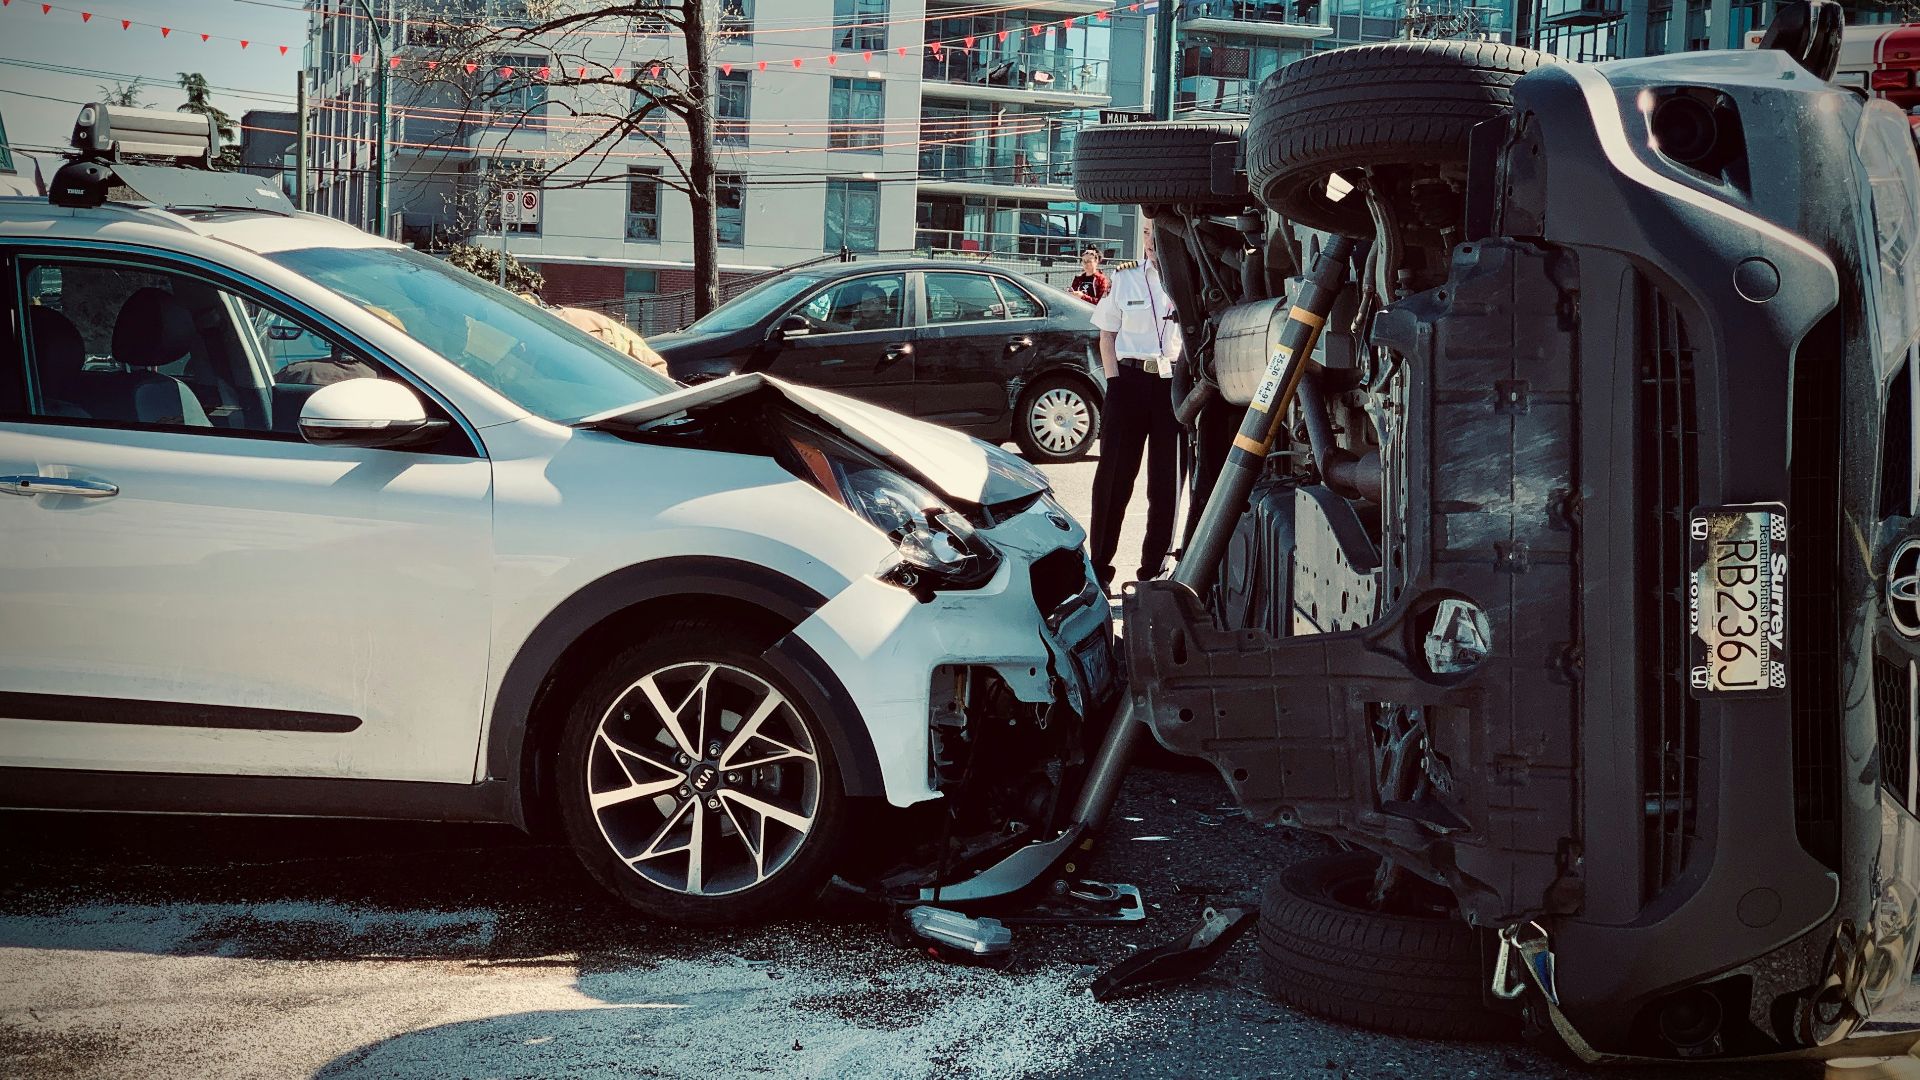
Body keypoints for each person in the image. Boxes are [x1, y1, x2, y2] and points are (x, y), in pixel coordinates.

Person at [1088, 231, 1182, 592]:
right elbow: (1106, 334)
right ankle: (1099, 567)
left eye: (1158, 236)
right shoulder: (1125, 278)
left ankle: (1153, 570)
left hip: (1170, 385)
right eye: (1147, 235)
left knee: (1166, 483)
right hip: (1128, 382)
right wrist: (1114, 382)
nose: (1152, 243)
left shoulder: (1185, 278)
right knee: (1114, 479)